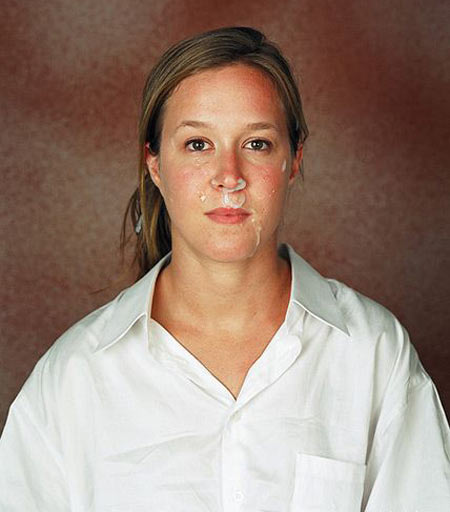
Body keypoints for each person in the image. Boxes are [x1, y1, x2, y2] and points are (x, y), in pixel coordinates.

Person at [0, 26, 449, 511]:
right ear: (155, 164)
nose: (229, 177)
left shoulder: (373, 354)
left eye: (256, 144)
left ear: (294, 159)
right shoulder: (72, 379)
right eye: (198, 144)